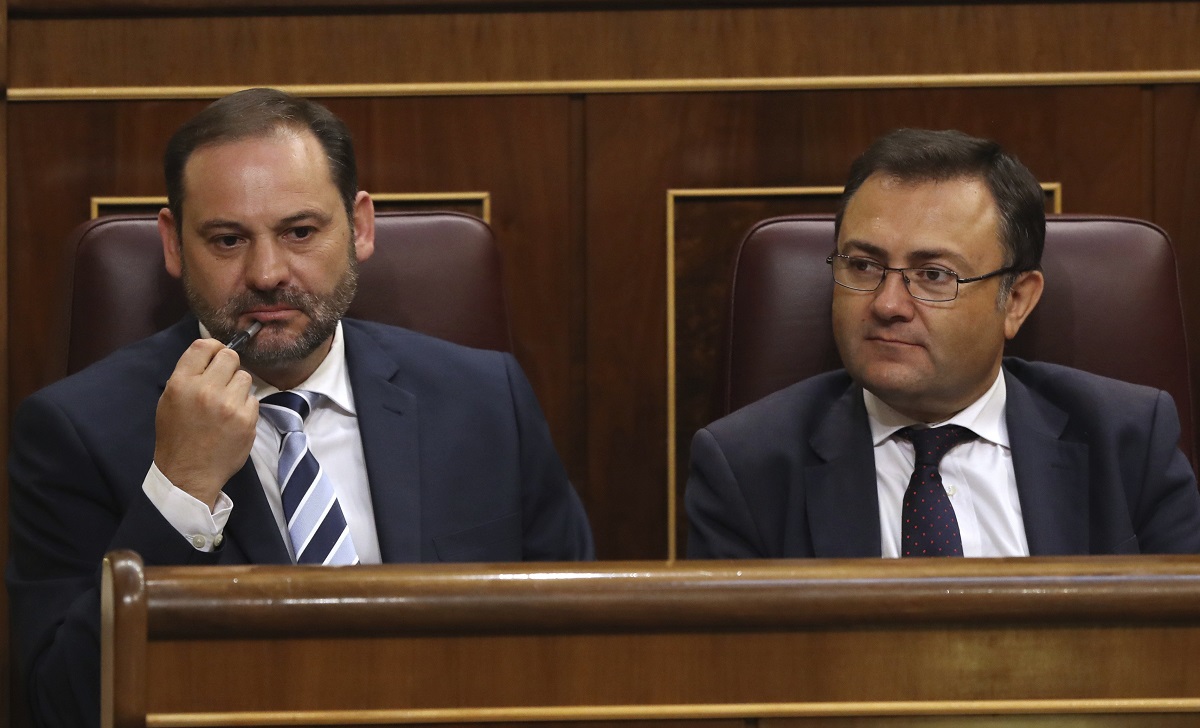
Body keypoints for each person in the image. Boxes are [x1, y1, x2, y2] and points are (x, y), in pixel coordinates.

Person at [7, 88, 593, 727]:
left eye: (301, 231)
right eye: (228, 240)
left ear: (360, 227)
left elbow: (581, 652)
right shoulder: (73, 432)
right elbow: (62, 706)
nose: (266, 272)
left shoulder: (485, 400)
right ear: (173, 244)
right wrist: (180, 491)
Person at [687, 128, 1200, 560]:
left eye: (933, 275)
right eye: (863, 266)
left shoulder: (1128, 440)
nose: (888, 304)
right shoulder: (746, 467)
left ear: (1017, 300)